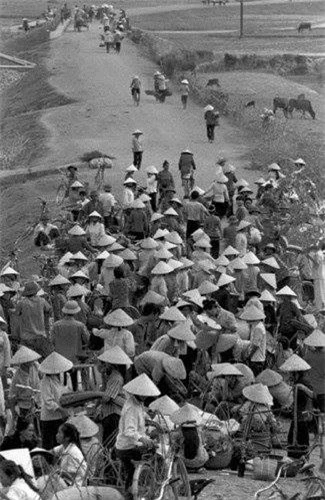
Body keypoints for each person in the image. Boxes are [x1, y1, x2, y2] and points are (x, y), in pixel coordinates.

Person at [116, 374, 160, 499]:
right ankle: (142, 482)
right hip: (127, 447)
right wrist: (142, 439)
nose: (145, 396)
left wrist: (150, 419)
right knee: (154, 450)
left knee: (152, 447)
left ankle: (140, 482)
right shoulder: (132, 407)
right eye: (144, 394)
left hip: (129, 444)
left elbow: (142, 415)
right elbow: (129, 431)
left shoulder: (137, 403)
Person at [51, 300, 89, 392]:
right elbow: (87, 339)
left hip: (59, 358)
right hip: (75, 358)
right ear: (76, 312)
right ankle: (77, 389)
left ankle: (61, 388)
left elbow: (52, 341)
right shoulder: (80, 325)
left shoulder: (56, 325)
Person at [39, 352, 72, 450]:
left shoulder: (66, 376)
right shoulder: (46, 380)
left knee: (62, 445)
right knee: (49, 446)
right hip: (49, 418)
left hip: (63, 416)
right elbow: (48, 401)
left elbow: (69, 392)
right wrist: (61, 410)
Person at [15, 281, 52, 357]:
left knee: (28, 360)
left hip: (26, 337)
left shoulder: (22, 303)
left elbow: (16, 314)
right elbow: (49, 310)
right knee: (42, 359)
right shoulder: (42, 301)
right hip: (40, 336)